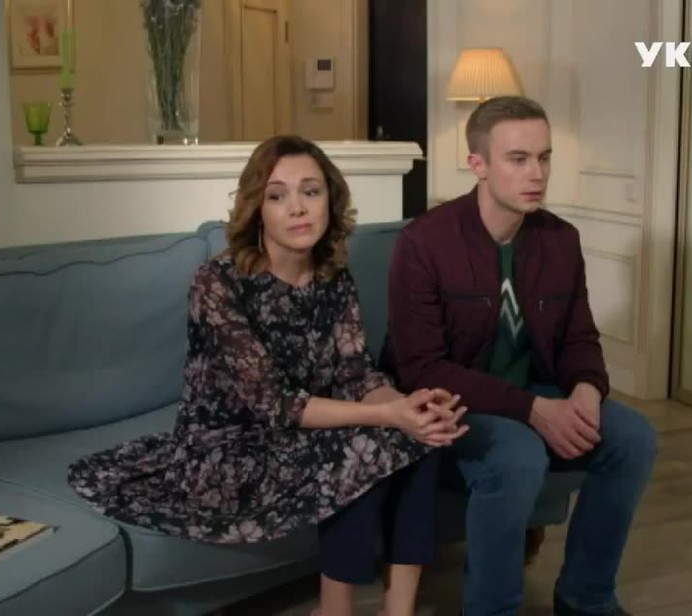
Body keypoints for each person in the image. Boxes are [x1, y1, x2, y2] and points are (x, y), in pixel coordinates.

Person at [68, 135, 469, 616]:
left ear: (330, 200)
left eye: (311, 192)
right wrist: (388, 415)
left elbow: (356, 373)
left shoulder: (333, 277)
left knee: (422, 436)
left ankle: (398, 610)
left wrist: (409, 408)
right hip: (227, 451)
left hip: (300, 437)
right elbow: (275, 404)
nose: (297, 208)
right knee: (367, 443)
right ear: (257, 208)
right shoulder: (217, 282)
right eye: (278, 196)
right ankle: (334, 610)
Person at [379, 96, 658, 616]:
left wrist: (587, 391)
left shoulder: (560, 240)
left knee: (634, 438)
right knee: (516, 454)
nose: (537, 173)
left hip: (534, 394)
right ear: (478, 164)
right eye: (518, 159)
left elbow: (579, 338)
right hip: (449, 407)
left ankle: (587, 598)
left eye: (544, 157)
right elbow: (422, 368)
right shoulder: (425, 242)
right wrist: (533, 410)